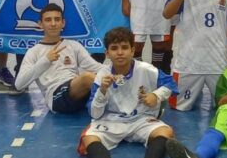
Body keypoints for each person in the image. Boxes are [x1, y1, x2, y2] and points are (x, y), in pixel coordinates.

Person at [78, 27, 196, 158]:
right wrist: (102, 91)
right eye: (114, 48)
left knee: (165, 132)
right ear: (107, 53)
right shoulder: (102, 75)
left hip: (141, 119)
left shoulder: (147, 70)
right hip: (111, 121)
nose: (120, 52)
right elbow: (95, 114)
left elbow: (172, 85)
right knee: (88, 138)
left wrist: (156, 95)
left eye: (124, 47)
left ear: (132, 50)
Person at [14, 3, 104, 114]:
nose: (53, 24)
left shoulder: (73, 45)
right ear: (40, 24)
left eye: (57, 19)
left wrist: (116, 72)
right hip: (56, 97)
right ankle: (119, 105)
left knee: (102, 77)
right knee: (87, 78)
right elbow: (19, 84)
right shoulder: (34, 52)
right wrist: (45, 60)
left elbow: (96, 67)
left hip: (77, 91)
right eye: (48, 20)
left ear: (63, 23)